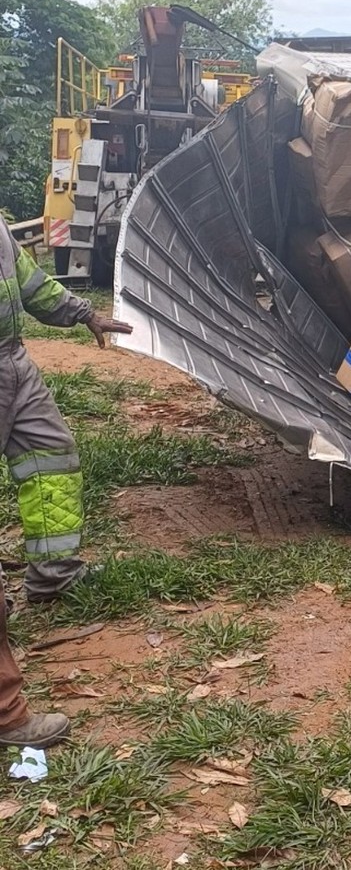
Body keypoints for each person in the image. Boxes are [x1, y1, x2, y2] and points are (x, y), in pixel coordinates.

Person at [0, 222, 132, 747]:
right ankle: (7, 712)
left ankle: (53, 575)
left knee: (51, 459)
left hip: (11, 361)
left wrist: (84, 314)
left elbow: (30, 283)